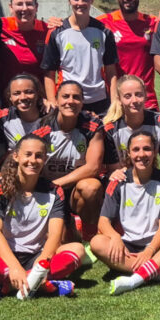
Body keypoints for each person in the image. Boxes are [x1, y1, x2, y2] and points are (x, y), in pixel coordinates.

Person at [0, 134, 83, 301]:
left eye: (38, 155)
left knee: (77, 249)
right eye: (28, 154)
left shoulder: (54, 191)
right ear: (16, 156)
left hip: (37, 256)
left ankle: (6, 285)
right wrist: (13, 267)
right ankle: (41, 284)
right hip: (5, 258)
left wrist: (42, 263)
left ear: (45, 158)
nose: (33, 160)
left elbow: (55, 235)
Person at [94, 130, 160, 294]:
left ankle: (134, 280)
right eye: (136, 149)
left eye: (147, 149)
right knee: (97, 243)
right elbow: (103, 222)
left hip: (157, 245)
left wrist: (150, 250)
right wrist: (115, 237)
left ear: (155, 152)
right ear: (129, 153)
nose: (141, 154)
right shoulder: (118, 181)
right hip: (127, 247)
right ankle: (159, 271)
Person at [33, 81, 106, 241]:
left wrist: (56, 185)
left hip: (73, 190)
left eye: (76, 97)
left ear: (82, 102)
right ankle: (70, 225)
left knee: (91, 187)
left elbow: (93, 167)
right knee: (63, 241)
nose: (70, 101)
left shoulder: (93, 126)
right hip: (47, 192)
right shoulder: (43, 126)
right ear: (57, 100)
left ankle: (90, 237)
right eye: (65, 96)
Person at [41, 0, 119, 114]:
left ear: (92, 0)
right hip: (68, 100)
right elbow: (49, 73)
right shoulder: (57, 33)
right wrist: (52, 100)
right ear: (69, 0)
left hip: (99, 101)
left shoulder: (104, 32)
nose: (80, 3)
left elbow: (111, 72)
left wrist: (114, 101)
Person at [97, 0, 159, 110]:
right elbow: (76, 27)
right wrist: (57, 23)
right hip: (116, 100)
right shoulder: (102, 23)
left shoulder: (153, 22)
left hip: (146, 100)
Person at [102, 75, 160, 180]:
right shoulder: (110, 128)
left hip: (152, 179)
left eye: (139, 94)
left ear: (146, 96)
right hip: (124, 179)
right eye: (128, 96)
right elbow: (114, 169)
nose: (134, 100)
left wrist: (157, 183)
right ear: (119, 100)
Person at [0, 0, 56, 96]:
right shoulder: (0, 26)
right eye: (19, 4)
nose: (24, 8)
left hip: (37, 98)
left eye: (29, 4)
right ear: (11, 7)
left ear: (36, 7)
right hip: (6, 98)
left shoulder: (47, 30)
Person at [0, 74, 48, 173]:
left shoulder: (51, 117)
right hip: (16, 174)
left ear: (38, 94)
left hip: (47, 176)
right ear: (9, 97)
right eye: (16, 93)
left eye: (29, 92)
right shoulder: (3, 119)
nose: (23, 97)